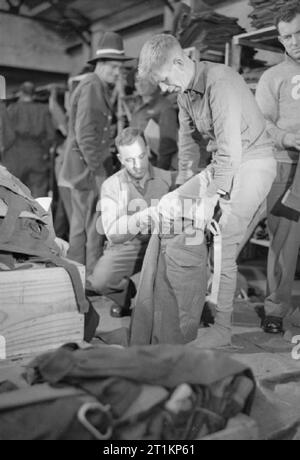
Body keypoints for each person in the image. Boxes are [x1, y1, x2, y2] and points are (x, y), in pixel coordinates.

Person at [138, 34, 276, 348]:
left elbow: (230, 151)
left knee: (224, 233)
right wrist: (182, 191)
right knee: (171, 203)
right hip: (221, 163)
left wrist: (208, 201)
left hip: (254, 161)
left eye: (163, 80)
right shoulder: (184, 93)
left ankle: (222, 329)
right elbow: (188, 150)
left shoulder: (220, 82)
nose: (162, 89)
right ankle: (185, 299)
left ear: (178, 62)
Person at [64, 31, 133, 276]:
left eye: (121, 68)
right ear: (101, 65)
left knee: (81, 225)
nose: (118, 73)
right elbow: (86, 135)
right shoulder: (93, 86)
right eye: (114, 67)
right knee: (93, 225)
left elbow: (92, 131)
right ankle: (90, 276)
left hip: (82, 168)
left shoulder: (96, 85)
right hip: (88, 169)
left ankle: (77, 275)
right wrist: (99, 173)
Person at [87, 127, 174, 317]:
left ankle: (152, 296)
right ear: (120, 159)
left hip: (161, 243)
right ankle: (127, 295)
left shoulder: (168, 180)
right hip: (127, 245)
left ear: (148, 150)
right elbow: (112, 232)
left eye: (141, 156)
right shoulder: (111, 186)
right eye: (129, 160)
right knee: (101, 281)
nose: (137, 165)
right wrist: (146, 216)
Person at [256, 4, 300, 334]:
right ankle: (276, 308)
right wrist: (288, 137)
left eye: (299, 33)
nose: (294, 42)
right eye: (287, 36)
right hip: (286, 167)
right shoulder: (273, 77)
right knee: (284, 244)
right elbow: (262, 124)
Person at [2, 82, 55, 198]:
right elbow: (51, 135)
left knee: (14, 192)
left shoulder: (13, 109)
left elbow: (7, 135)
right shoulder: (43, 110)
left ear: (21, 93)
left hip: (15, 155)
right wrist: (44, 151)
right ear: (34, 94)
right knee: (39, 192)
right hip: (37, 154)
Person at [130, 74, 178, 170]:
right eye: (137, 81)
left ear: (155, 83)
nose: (140, 84)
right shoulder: (137, 104)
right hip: (136, 163)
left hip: (153, 166)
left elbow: (168, 145)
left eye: (144, 81)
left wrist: (160, 172)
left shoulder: (164, 107)